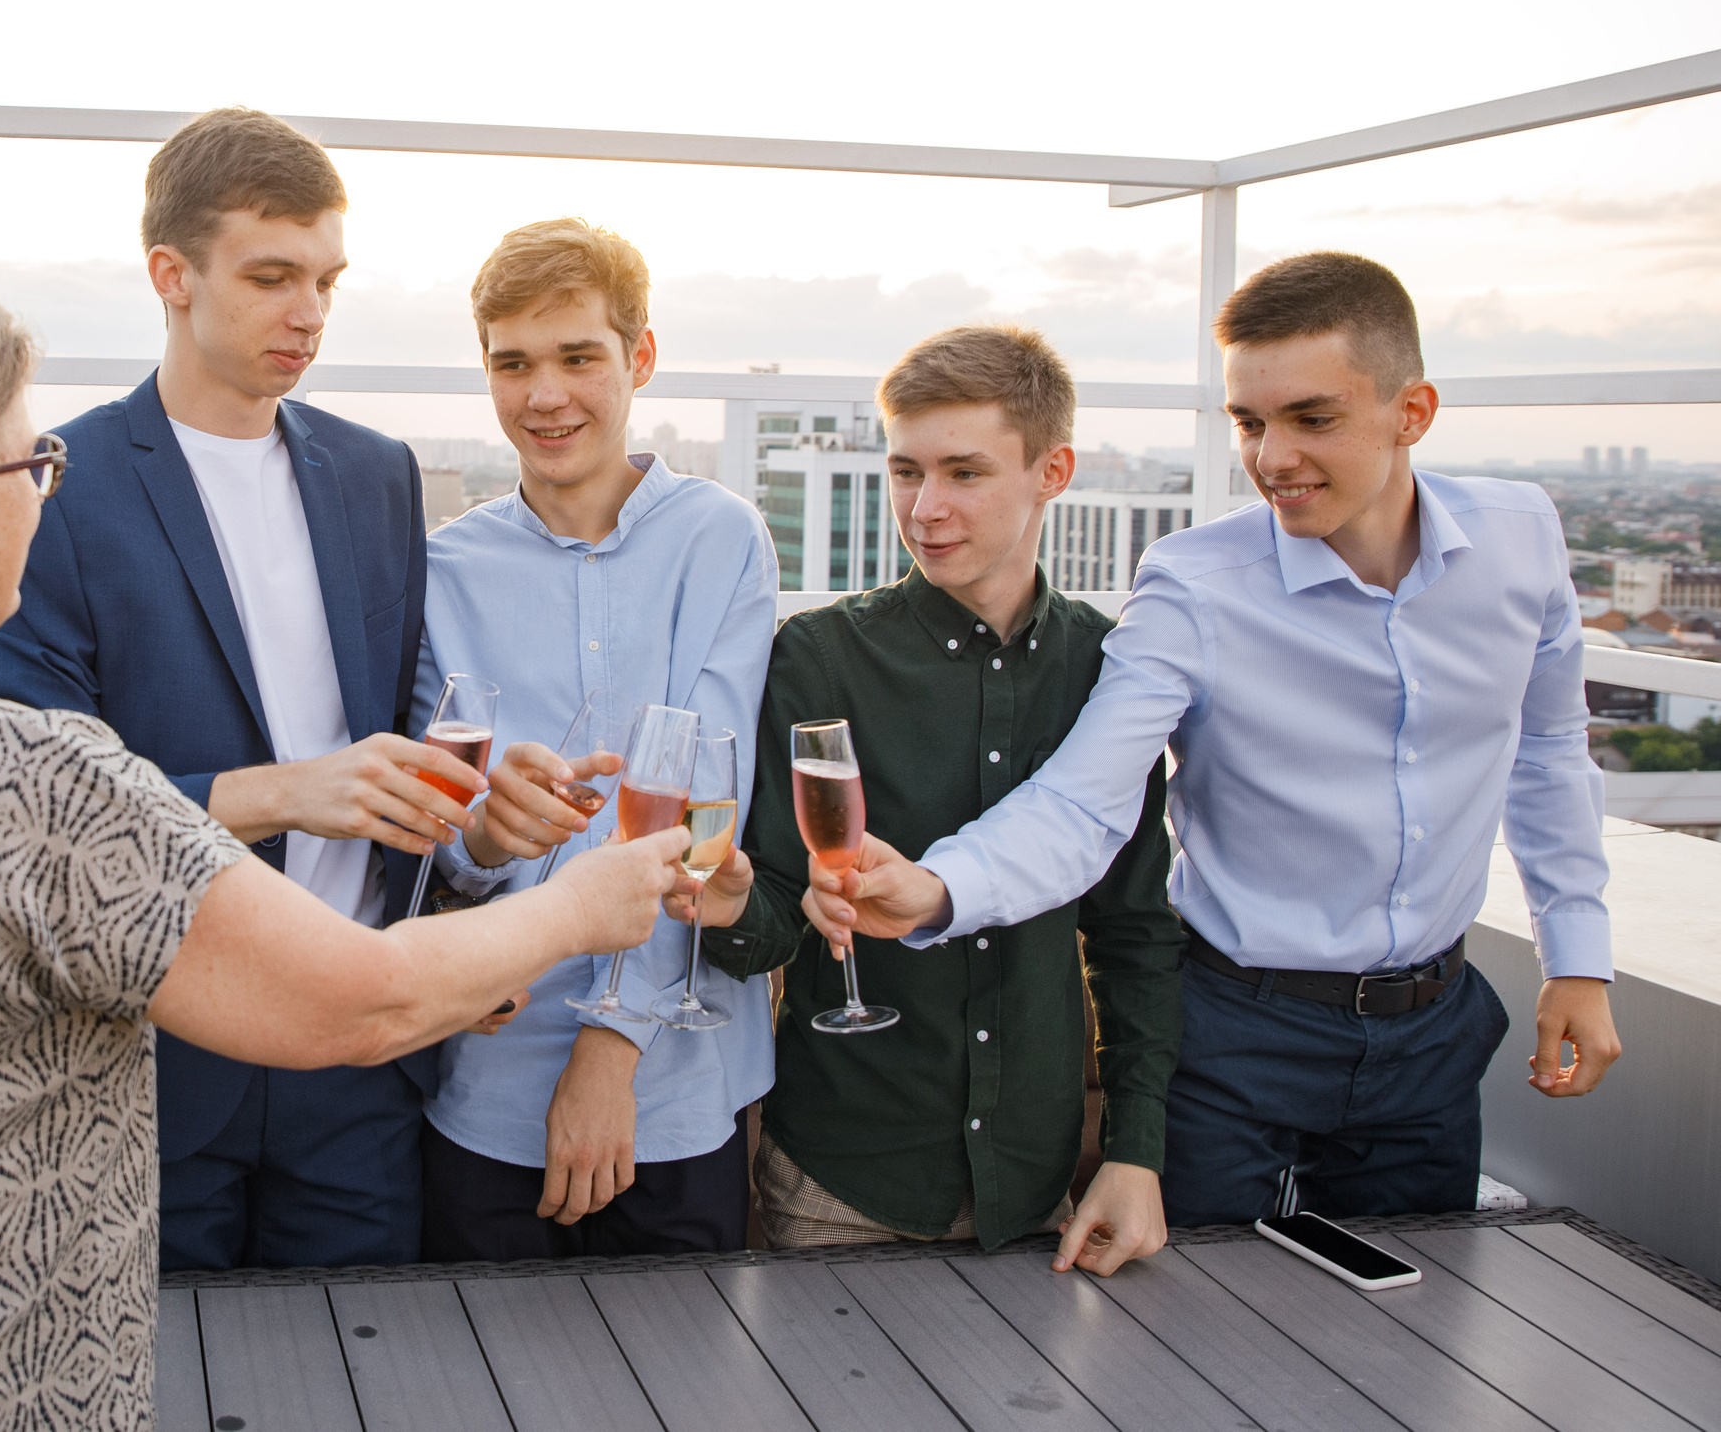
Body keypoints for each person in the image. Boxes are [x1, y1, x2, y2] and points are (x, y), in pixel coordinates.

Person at [0, 262, 682, 1431]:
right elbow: (365, 1003)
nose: (46, 496)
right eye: (30, 464)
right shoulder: (24, 785)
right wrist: (586, 901)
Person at [813, 253, 1622, 1229]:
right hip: (1233, 1032)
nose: (1271, 456)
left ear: (1412, 411)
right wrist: (945, 888)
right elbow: (1085, 796)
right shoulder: (1194, 583)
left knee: (1407, 1331)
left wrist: (1574, 954)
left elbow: (1545, 752)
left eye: (1310, 418)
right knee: (1186, 1337)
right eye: (1248, 421)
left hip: (1435, 1033)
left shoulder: (1521, 534)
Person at [0, 109, 486, 1271]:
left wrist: (475, 801)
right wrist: (286, 792)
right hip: (148, 1051)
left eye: (326, 281)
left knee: (366, 1381)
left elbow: (394, 736)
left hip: (356, 1053)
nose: (307, 315)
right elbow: (40, 808)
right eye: (270, 276)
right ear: (171, 274)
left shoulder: (375, 474)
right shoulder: (50, 488)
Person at [696, 325, 1181, 1275]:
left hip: (1041, 1187)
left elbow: (1136, 933)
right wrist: (726, 909)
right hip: (843, 1179)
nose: (925, 508)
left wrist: (1135, 1148)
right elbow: (769, 919)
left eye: (964, 472)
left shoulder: (1104, 668)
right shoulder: (821, 655)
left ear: (1054, 470)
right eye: (906, 471)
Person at [411, 218, 778, 1263]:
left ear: (640, 359)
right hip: (485, 1084)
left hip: (671, 1087)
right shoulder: (441, 569)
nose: (545, 395)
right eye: (512, 364)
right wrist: (482, 839)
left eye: (579, 357)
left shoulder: (719, 538)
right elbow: (441, 841)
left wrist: (611, 1050)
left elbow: (712, 819)